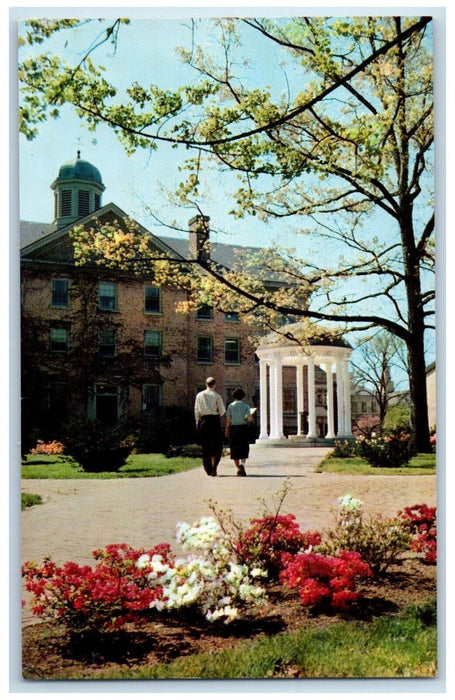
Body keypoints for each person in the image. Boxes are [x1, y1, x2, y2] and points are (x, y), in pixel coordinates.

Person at [194, 377, 226, 476]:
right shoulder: (216, 396)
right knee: (217, 445)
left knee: (205, 446)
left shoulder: (199, 395)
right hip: (214, 420)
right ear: (214, 385)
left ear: (206, 384)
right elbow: (222, 411)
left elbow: (196, 410)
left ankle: (208, 468)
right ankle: (214, 466)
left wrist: (197, 422)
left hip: (203, 420)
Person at [224, 387, 254, 477]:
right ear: (243, 397)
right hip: (243, 428)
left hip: (234, 428)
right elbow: (249, 419)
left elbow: (228, 419)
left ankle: (238, 468)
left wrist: (226, 429)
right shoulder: (246, 406)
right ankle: (242, 465)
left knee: (234, 448)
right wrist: (249, 417)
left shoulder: (230, 406)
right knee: (244, 447)